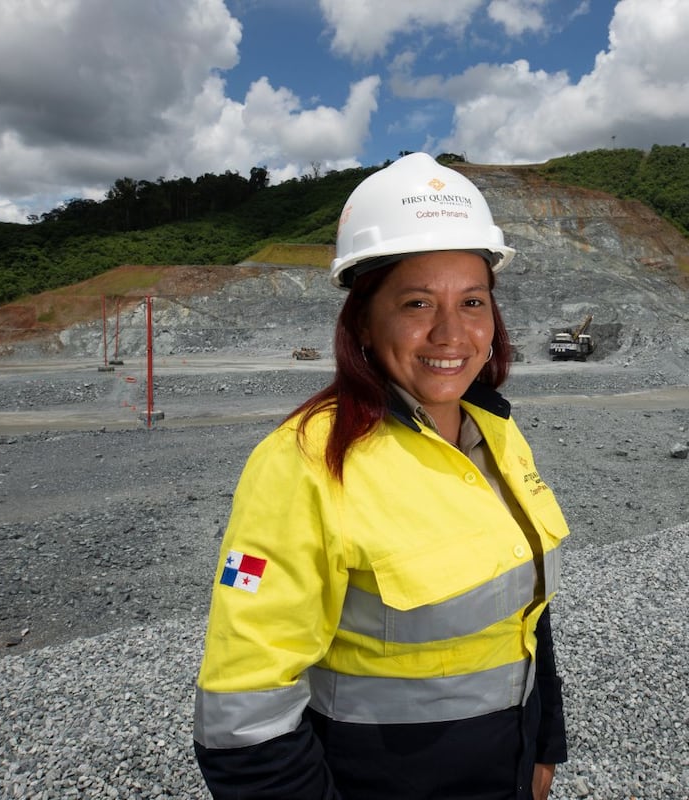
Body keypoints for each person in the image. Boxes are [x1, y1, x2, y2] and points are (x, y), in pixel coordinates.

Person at [193, 152, 571, 799]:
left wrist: (544, 741)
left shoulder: (498, 434)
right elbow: (244, 719)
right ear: (364, 322)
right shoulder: (305, 462)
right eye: (417, 302)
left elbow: (524, 611)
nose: (451, 332)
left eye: (472, 301)